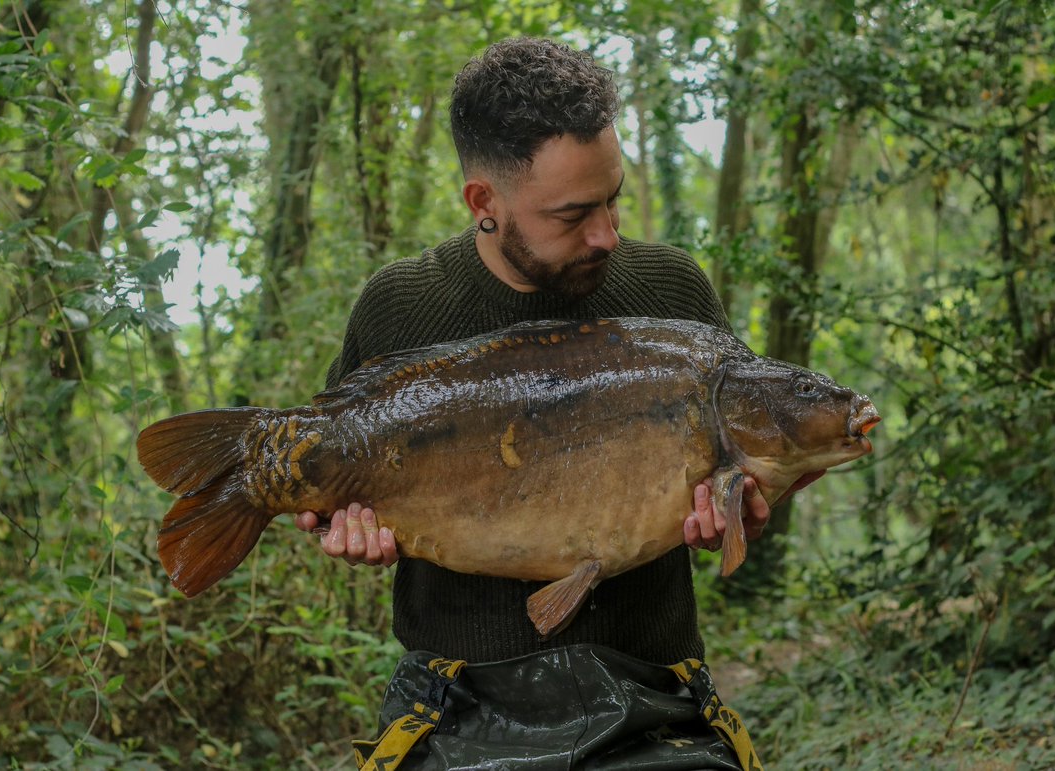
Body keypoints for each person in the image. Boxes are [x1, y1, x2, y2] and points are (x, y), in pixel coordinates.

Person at [294, 37, 779, 768]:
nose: (606, 234)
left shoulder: (673, 292)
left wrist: (738, 509)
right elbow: (329, 485)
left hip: (655, 690)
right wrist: (343, 524)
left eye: (614, 199)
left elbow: (738, 474)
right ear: (483, 202)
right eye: (573, 214)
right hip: (458, 696)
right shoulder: (399, 307)